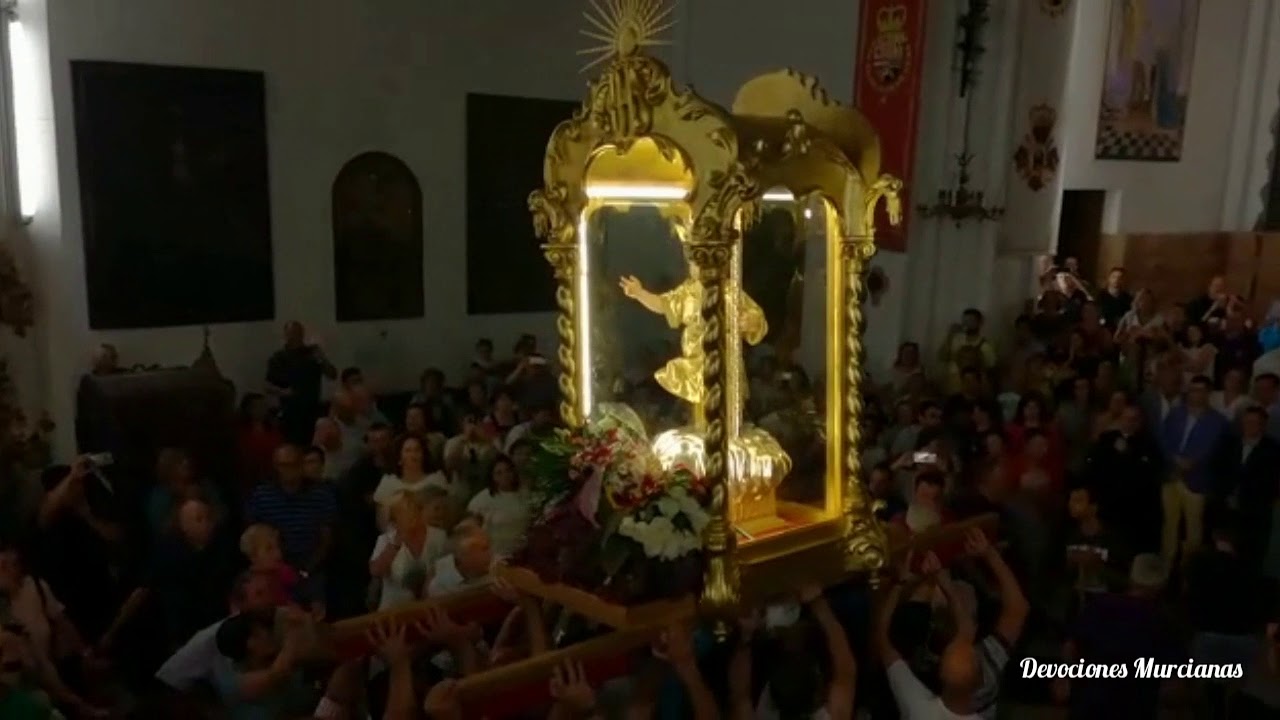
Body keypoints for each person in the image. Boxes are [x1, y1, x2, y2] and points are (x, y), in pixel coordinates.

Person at [619, 252, 768, 427]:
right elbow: (663, 304)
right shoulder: (687, 292)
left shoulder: (730, 291)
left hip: (725, 360)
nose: (698, 267)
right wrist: (640, 293)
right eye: (694, 262)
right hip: (696, 361)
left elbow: (757, 318)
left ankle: (726, 435)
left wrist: (750, 322)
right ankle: (703, 433)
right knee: (700, 405)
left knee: (725, 404)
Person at [1056, 554, 1181, 719]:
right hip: (1135, 709)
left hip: (1089, 704)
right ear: (1162, 585)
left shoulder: (1100, 606)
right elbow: (1173, 685)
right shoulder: (1163, 622)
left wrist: (1065, 678)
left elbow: (1071, 645)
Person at [729, 584, 855, 720]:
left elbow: (740, 695)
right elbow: (846, 668)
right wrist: (818, 604)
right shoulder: (835, 714)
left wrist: (746, 635)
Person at [1158, 375, 1228, 564]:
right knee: (1169, 526)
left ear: (1208, 393)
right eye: (1192, 390)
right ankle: (1166, 567)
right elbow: (1163, 439)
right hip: (1171, 477)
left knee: (1193, 531)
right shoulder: (1176, 414)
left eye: (1199, 390)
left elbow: (1212, 449)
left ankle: (1188, 576)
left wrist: (1192, 462)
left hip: (1197, 481)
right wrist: (1174, 459)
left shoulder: (1218, 421)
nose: (1194, 394)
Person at [245, 445, 336, 585]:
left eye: (293, 464)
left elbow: (327, 537)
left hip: (312, 567)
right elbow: (253, 538)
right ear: (275, 467)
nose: (289, 470)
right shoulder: (262, 496)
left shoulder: (320, 495)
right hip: (272, 571)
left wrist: (307, 570)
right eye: (283, 465)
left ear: (301, 465)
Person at [369, 489, 449, 610]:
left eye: (412, 507)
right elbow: (376, 571)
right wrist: (396, 543)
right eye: (402, 511)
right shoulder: (385, 540)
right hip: (393, 610)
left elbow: (446, 572)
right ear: (394, 519)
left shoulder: (439, 536)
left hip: (432, 607)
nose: (411, 513)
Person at [264, 321, 337, 446]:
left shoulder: (312, 353)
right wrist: (283, 392)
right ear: (285, 335)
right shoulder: (279, 357)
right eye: (291, 333)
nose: (294, 336)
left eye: (297, 333)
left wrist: (322, 359)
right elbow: (267, 385)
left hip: (313, 410)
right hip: (290, 412)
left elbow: (332, 375)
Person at [466, 455, 530, 559]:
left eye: (508, 471)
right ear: (492, 477)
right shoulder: (482, 500)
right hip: (495, 556)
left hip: (522, 555)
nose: (505, 475)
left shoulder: (525, 494)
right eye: (499, 473)